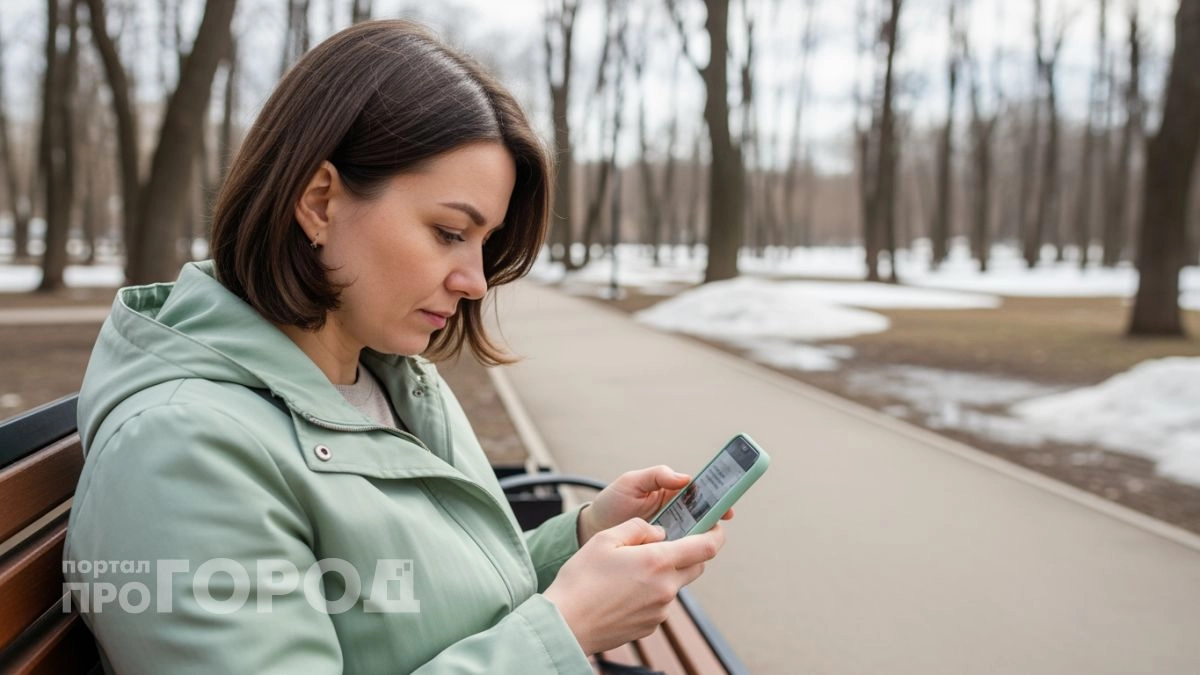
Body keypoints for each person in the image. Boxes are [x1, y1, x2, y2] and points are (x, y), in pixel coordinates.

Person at [64, 19, 728, 674]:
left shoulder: (387, 378)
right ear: (320, 201)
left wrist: (579, 537)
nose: (473, 281)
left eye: (483, 243)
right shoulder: (182, 453)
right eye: (448, 232)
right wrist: (566, 626)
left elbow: (420, 597)